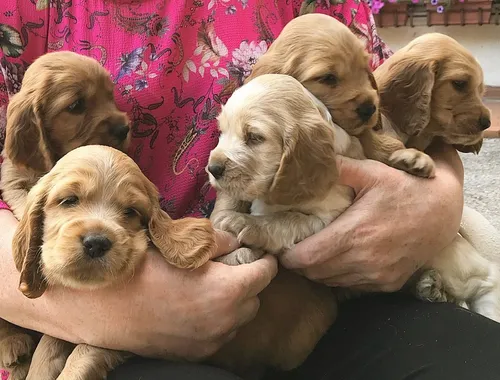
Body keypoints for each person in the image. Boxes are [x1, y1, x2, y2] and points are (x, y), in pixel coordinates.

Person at [1, 1, 500, 379]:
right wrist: (115, 312)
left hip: (330, 291)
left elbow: (388, 111)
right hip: (108, 296)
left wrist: (439, 202)